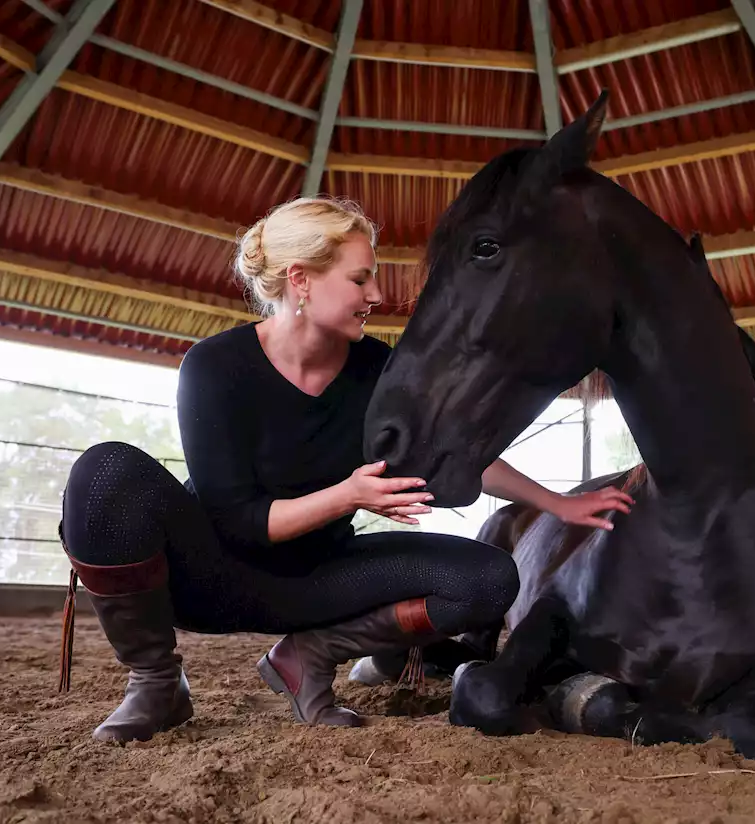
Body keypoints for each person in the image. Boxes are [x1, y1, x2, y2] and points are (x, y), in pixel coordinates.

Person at [57, 196, 634, 743]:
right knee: (106, 471)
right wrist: (349, 495)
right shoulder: (216, 366)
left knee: (489, 578)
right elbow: (236, 520)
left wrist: (558, 504)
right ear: (301, 280)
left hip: (318, 578)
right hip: (210, 576)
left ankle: (310, 655)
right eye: (360, 279)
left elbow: (451, 452)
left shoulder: (380, 370)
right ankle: (157, 683)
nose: (377, 294)